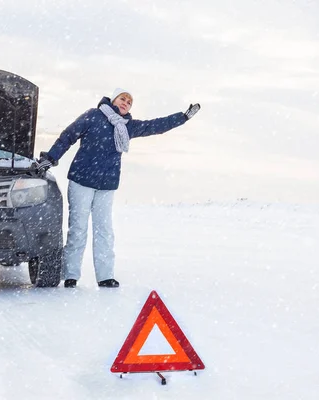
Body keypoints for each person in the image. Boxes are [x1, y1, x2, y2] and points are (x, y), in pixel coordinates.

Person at [36, 88, 200, 288]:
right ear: (113, 99)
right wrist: (51, 158)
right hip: (81, 181)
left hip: (107, 185)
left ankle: (105, 276)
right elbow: (68, 136)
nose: (126, 103)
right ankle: (71, 275)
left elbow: (155, 126)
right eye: (123, 99)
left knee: (104, 230)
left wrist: (182, 117)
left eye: (129, 102)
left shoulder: (127, 126)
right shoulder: (93, 116)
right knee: (78, 229)